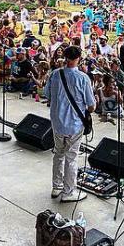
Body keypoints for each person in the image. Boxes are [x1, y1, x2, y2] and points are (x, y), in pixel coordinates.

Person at [44, 45, 95, 202]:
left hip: (57, 123)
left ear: (65, 57)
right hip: (74, 125)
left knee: (58, 153)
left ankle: (56, 186)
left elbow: (46, 95)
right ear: (78, 58)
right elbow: (91, 106)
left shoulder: (55, 74)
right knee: (71, 157)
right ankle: (68, 192)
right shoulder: (83, 78)